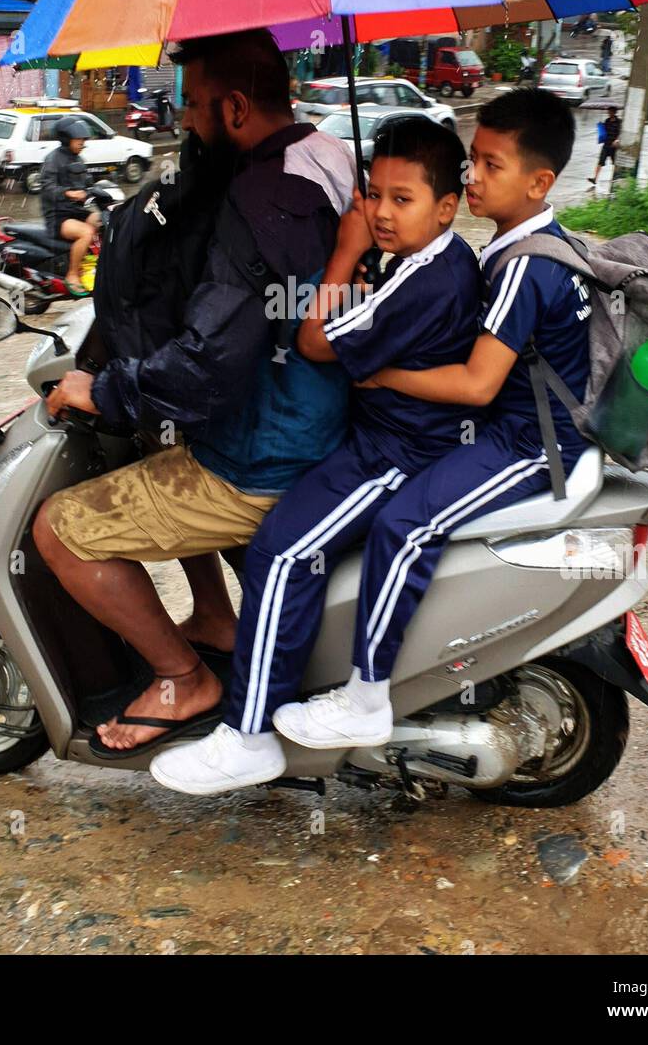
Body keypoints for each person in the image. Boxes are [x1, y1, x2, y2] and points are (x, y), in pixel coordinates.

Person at [31, 27, 356, 758]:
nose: (186, 122)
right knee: (156, 438)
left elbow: (210, 363)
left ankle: (182, 679)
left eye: (196, 106)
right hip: (324, 417)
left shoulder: (260, 197)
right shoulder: (326, 157)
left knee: (58, 526)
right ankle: (214, 615)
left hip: (264, 457)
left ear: (236, 108)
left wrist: (105, 387)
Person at [247, 88, 592, 757]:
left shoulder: (523, 265)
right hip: (511, 427)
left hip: (530, 443)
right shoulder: (520, 244)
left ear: (540, 182)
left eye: (493, 165)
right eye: (476, 162)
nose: (475, 177)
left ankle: (367, 697)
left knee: (408, 524)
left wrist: (385, 375)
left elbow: (476, 383)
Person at [149, 116, 484, 795]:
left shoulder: (424, 281)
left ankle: (249, 738)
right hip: (382, 438)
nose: (384, 213)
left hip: (397, 454)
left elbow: (313, 342)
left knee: (282, 550)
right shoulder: (433, 261)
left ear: (447, 207)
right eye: (375, 195)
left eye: (403, 199)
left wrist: (345, 250)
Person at [40, 117, 99, 297]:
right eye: (78, 140)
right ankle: (72, 274)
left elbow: (87, 182)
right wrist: (68, 193)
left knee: (104, 221)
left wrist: (100, 187)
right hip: (58, 216)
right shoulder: (53, 159)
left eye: (84, 140)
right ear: (66, 139)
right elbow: (47, 187)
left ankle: (93, 263)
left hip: (76, 211)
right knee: (86, 232)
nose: (82, 144)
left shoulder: (78, 158)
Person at [589, 104, 621, 188]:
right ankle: (595, 178)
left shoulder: (619, 122)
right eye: (608, 112)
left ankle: (616, 178)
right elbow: (604, 132)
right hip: (606, 145)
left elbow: (620, 132)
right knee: (600, 161)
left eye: (611, 112)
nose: (609, 113)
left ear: (614, 112)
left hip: (614, 146)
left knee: (615, 163)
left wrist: (617, 140)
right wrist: (600, 126)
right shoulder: (607, 121)